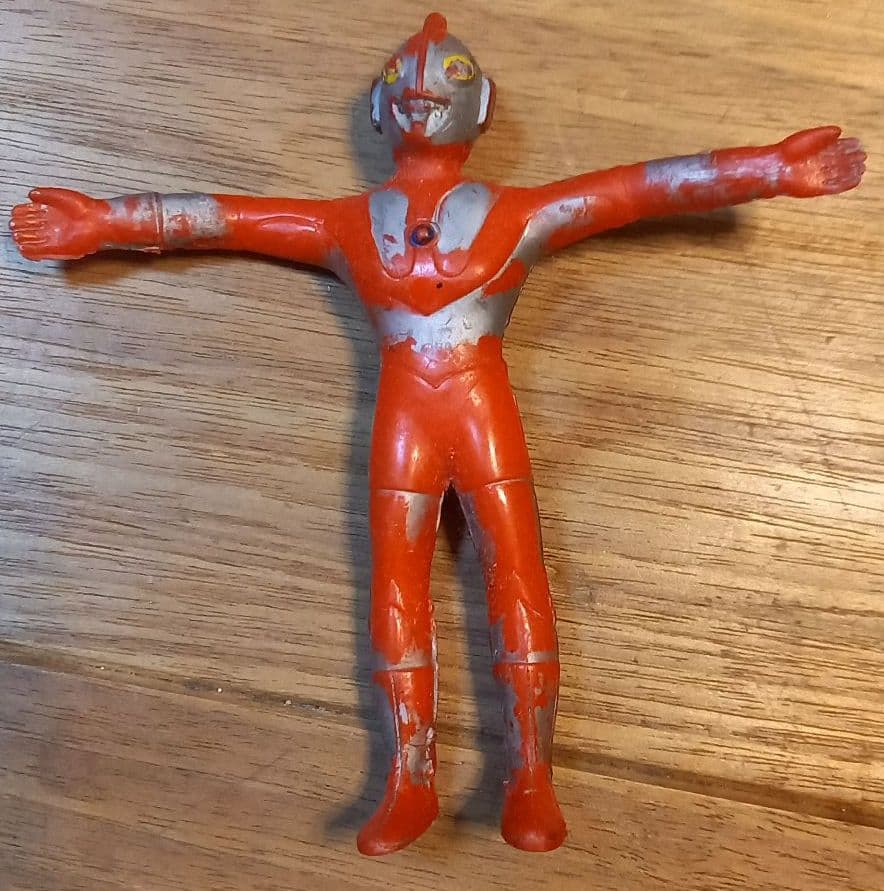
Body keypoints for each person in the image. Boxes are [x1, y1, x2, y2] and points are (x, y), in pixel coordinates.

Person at [10, 11, 865, 857]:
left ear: (480, 106)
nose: (420, 84)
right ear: (380, 112)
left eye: (449, 75)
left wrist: (767, 169)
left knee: (516, 571)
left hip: (473, 409)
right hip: (411, 420)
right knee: (398, 580)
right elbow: (229, 218)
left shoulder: (517, 212)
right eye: (401, 78)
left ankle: (530, 776)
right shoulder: (352, 223)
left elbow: (633, 191)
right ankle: (408, 777)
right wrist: (105, 222)